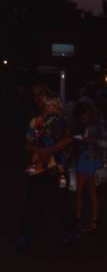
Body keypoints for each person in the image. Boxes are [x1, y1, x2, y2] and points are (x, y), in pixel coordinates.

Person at [18, 90, 74, 248]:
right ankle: (26, 235)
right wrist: (39, 151)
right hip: (38, 167)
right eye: (50, 104)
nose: (53, 107)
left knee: (62, 201)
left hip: (57, 167)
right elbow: (27, 144)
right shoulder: (35, 121)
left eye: (55, 104)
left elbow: (68, 140)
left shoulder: (62, 121)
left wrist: (48, 150)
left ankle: (70, 231)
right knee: (32, 202)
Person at [74, 103, 107, 232]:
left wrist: (92, 141)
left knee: (92, 192)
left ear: (90, 112)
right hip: (84, 158)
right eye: (81, 115)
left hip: (95, 160)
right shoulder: (83, 123)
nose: (83, 116)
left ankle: (94, 221)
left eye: (85, 114)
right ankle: (77, 219)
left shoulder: (103, 124)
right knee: (78, 191)